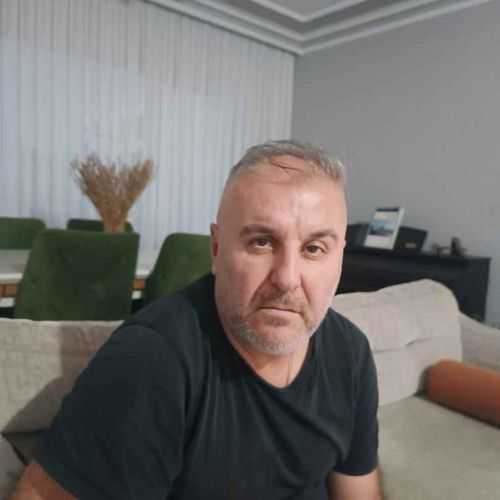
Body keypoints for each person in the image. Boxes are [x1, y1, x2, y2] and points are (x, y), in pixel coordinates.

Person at [11, 140, 382, 500]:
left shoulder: (350, 353)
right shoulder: (151, 360)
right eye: (261, 242)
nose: (286, 278)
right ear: (216, 249)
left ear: (339, 259)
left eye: (314, 248)